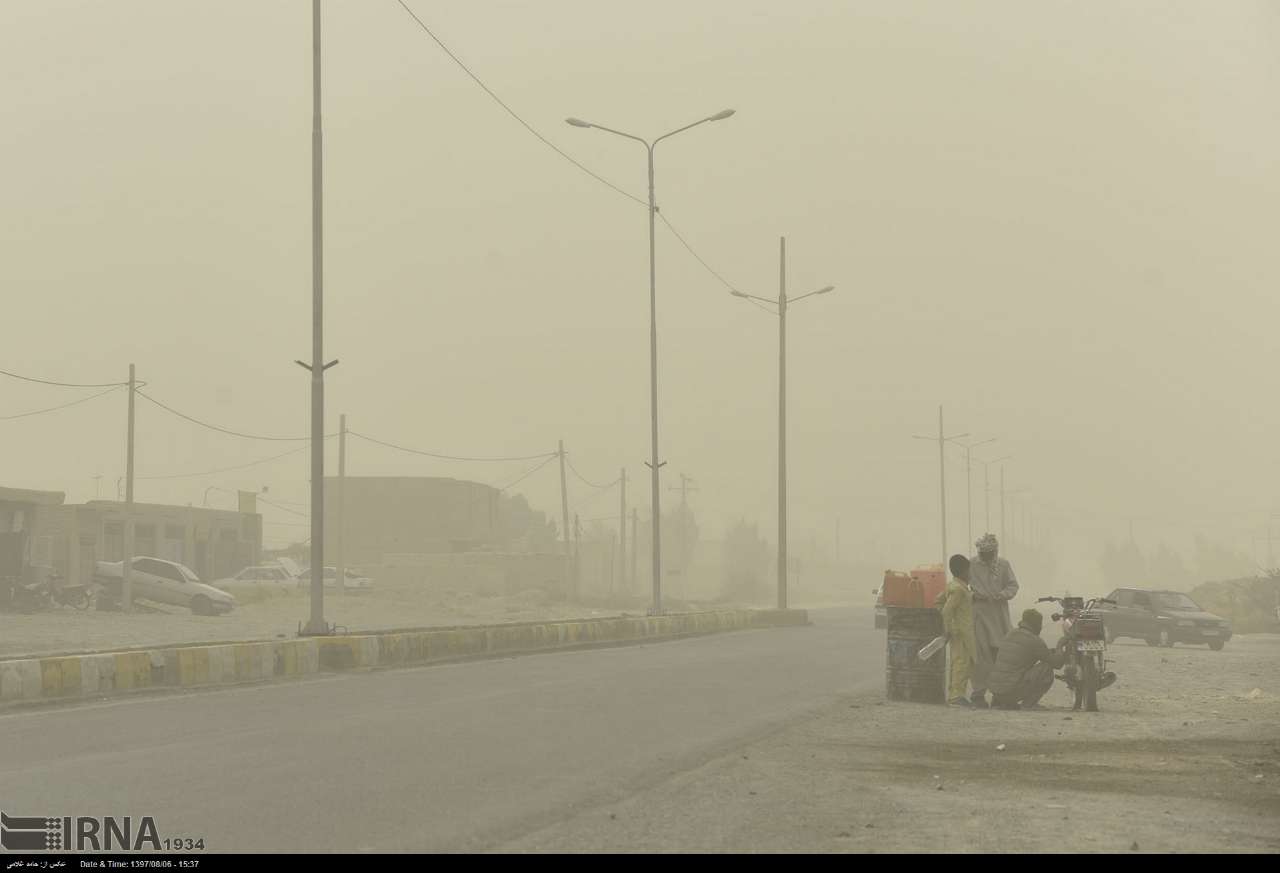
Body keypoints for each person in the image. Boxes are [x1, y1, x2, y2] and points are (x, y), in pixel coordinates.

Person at [968, 533, 1019, 709]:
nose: (987, 557)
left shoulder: (1004, 565)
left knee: (1000, 655)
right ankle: (978, 694)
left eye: (990, 553)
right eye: (984, 553)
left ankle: (999, 694)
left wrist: (1002, 595)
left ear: (995, 552)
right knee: (980, 655)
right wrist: (973, 595)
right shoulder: (971, 564)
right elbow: (961, 586)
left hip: (999, 615)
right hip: (979, 614)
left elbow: (1013, 585)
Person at [987, 608, 1067, 710]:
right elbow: (1057, 663)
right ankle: (1029, 704)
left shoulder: (1010, 634)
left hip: (996, 690)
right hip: (1010, 691)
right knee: (1046, 668)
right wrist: (1060, 646)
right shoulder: (1034, 640)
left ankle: (1001, 702)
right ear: (1036, 624)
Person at [936, 554, 976, 707]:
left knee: (960, 662)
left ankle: (956, 693)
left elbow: (938, 601)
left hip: (961, 632)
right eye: (969, 570)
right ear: (964, 571)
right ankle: (956, 696)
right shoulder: (959, 590)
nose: (971, 574)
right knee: (961, 663)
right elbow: (947, 610)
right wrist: (951, 628)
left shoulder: (953, 586)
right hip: (961, 633)